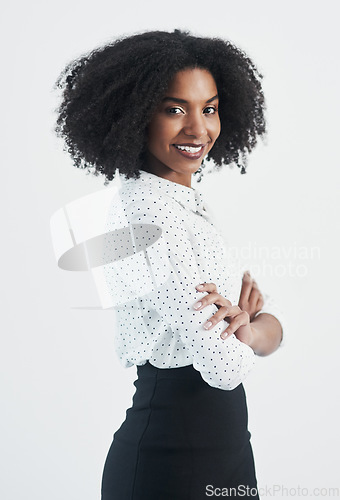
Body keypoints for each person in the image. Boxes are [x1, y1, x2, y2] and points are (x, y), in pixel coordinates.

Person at [54, 29, 284, 500]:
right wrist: (254, 331)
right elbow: (223, 365)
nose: (198, 129)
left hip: (227, 452)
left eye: (210, 108)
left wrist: (255, 329)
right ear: (136, 113)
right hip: (172, 464)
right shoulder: (149, 218)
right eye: (174, 108)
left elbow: (257, 334)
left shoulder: (182, 203)